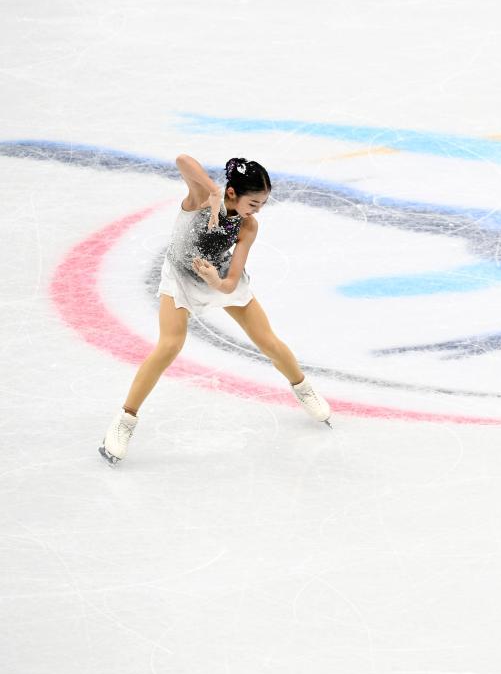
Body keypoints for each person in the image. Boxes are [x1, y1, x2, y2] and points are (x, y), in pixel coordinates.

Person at [99, 155, 331, 466]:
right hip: (181, 277)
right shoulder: (200, 200)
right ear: (232, 193)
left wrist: (215, 281)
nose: (258, 210)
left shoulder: (248, 225)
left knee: (267, 340)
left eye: (262, 204)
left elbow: (231, 282)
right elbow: (182, 160)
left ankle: (303, 388)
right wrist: (212, 191)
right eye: (254, 203)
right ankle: (125, 420)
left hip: (217, 276)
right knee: (169, 346)